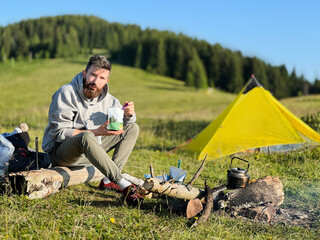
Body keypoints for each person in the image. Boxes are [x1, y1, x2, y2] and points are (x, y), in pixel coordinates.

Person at [42, 55, 143, 205]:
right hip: (62, 154)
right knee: (87, 136)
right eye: (93, 75)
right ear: (85, 73)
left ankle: (109, 180)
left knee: (132, 128)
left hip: (91, 153)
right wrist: (95, 132)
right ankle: (123, 184)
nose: (95, 81)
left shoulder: (111, 101)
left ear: (107, 81)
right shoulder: (66, 93)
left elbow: (119, 129)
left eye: (102, 78)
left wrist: (128, 116)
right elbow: (59, 134)